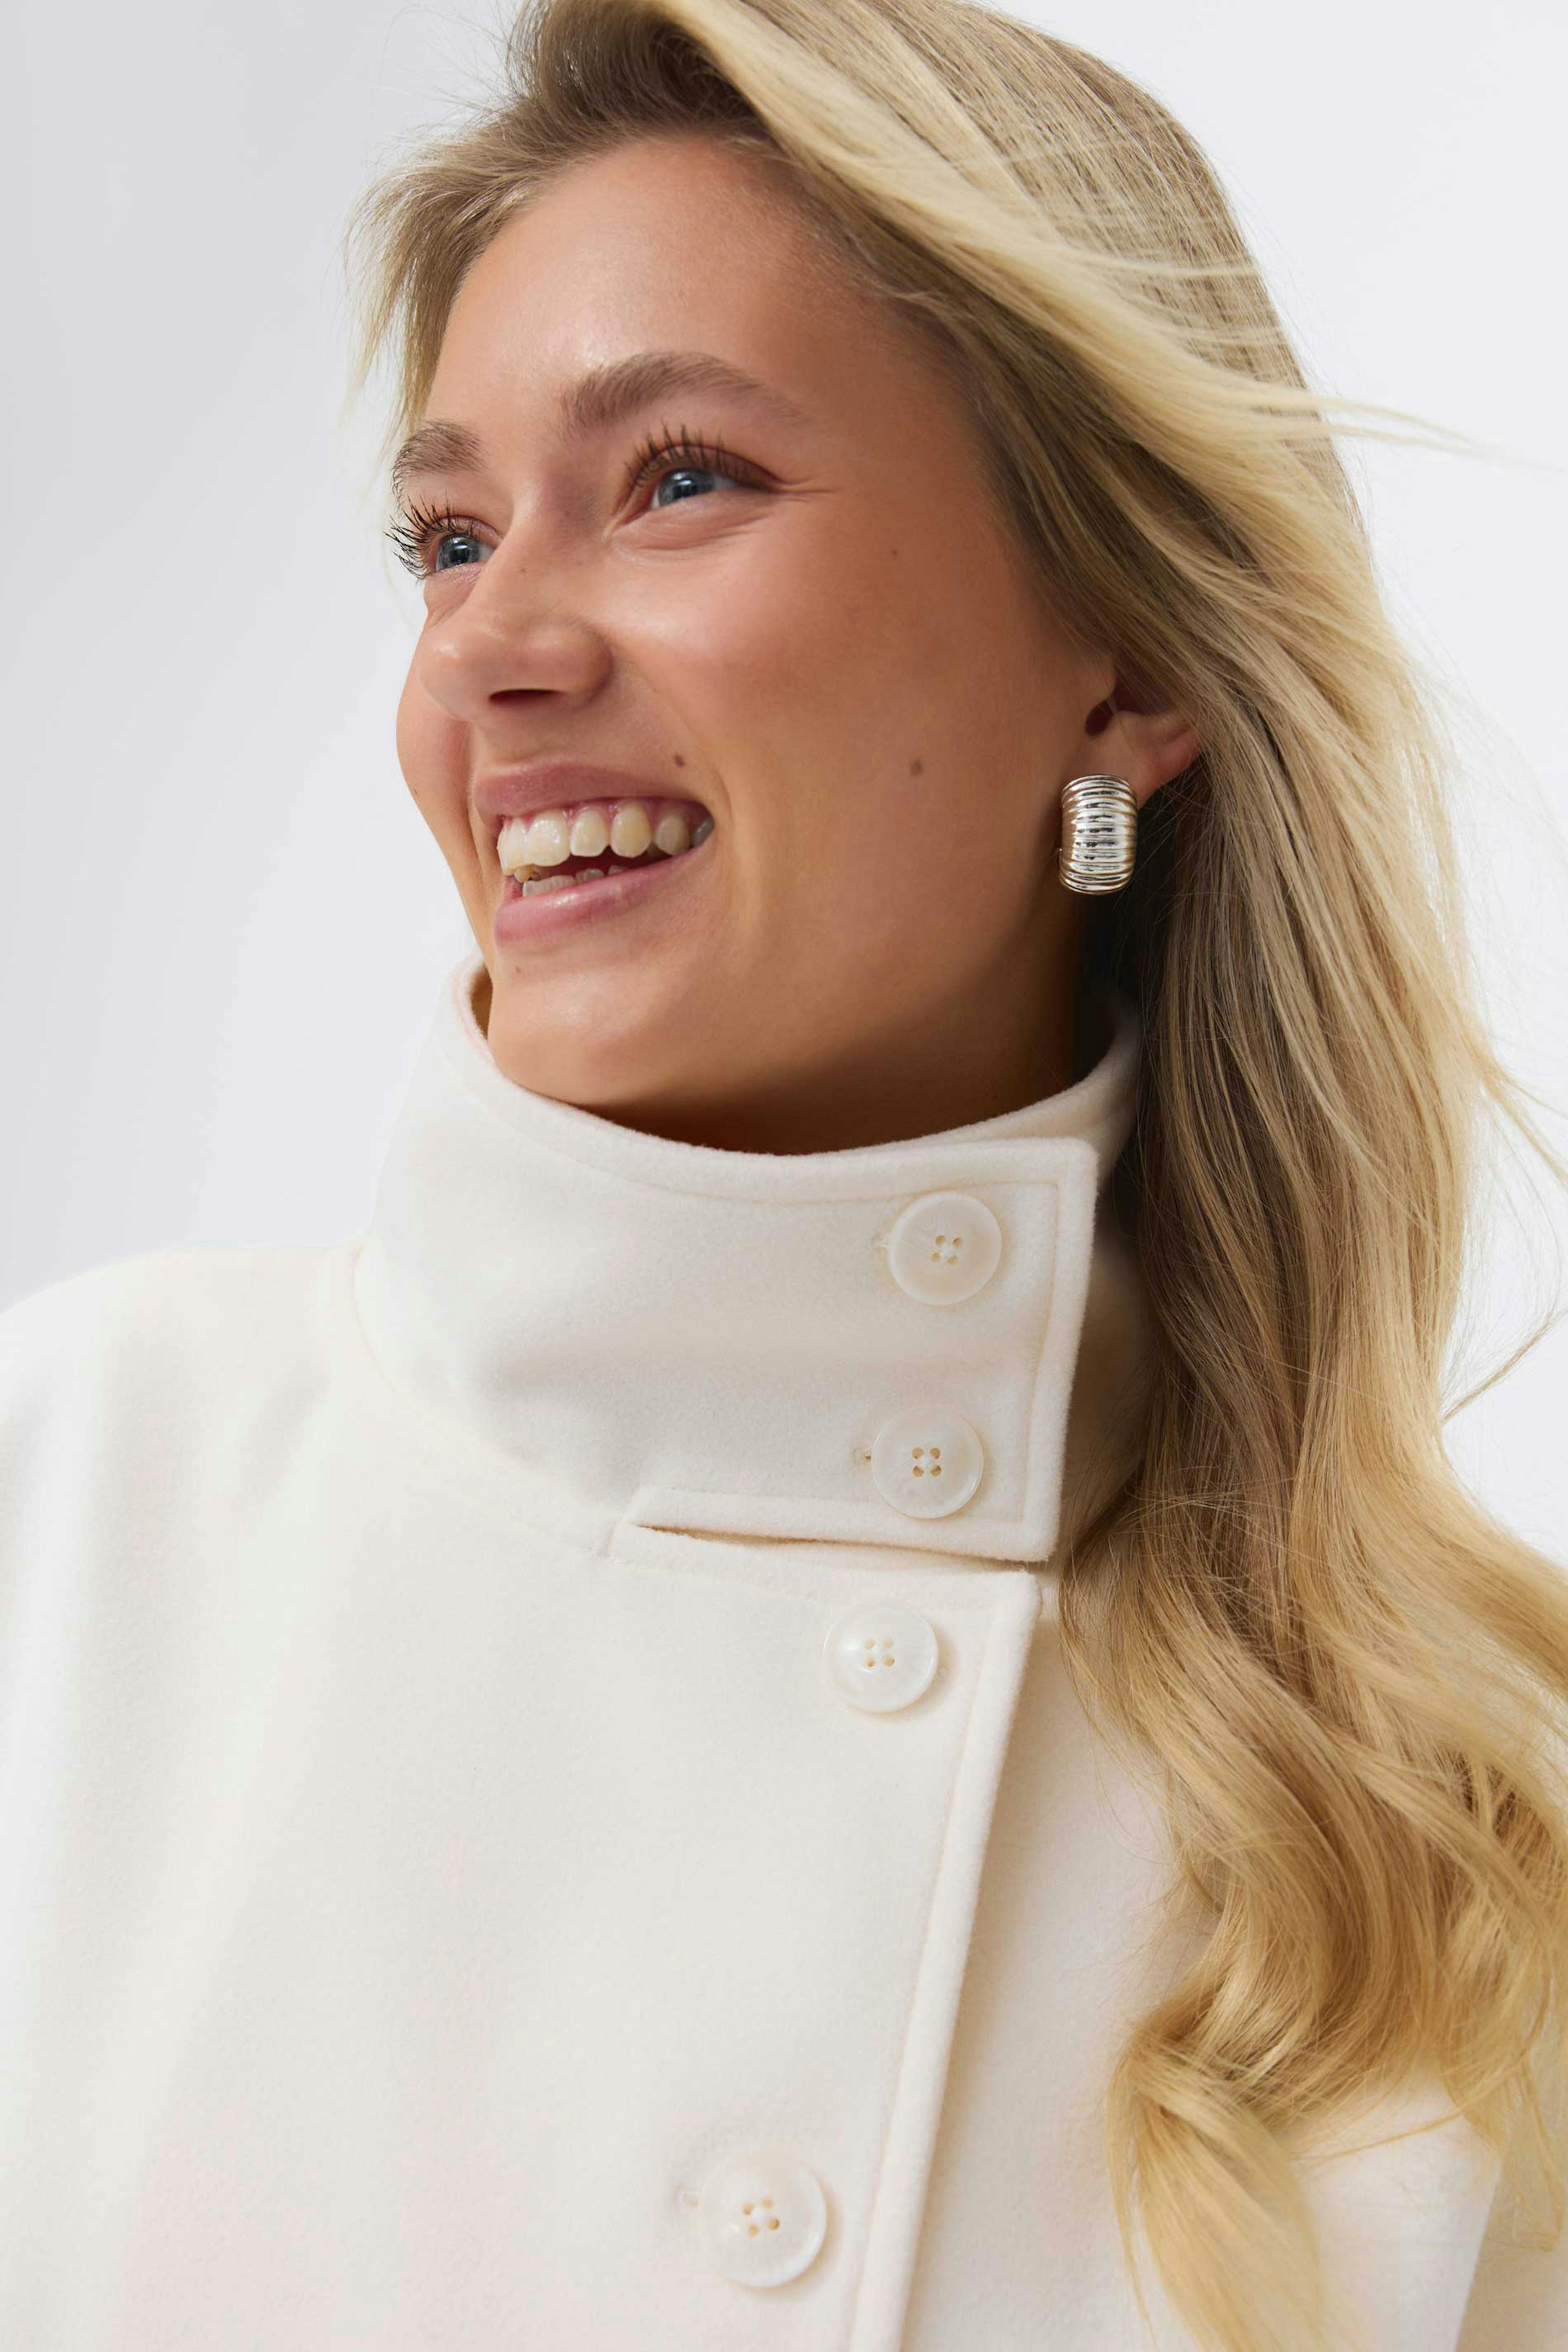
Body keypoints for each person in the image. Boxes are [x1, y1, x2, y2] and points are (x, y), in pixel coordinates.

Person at [2, 1, 1564, 2345]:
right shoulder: (65, 1510)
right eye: (448, 537)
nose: (490, 651)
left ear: (1125, 662)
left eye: (678, 481)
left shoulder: (1474, 1830)